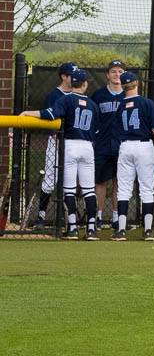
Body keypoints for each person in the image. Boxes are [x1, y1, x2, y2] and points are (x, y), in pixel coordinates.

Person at [21, 69, 99, 240]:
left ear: (73, 83)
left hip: (69, 145)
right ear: (84, 84)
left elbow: (49, 114)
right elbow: (97, 130)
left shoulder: (67, 99)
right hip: (87, 146)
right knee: (88, 189)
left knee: (69, 189)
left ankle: (72, 229)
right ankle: (92, 228)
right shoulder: (93, 104)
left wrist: (28, 113)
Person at [111, 71, 154, 241]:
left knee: (124, 189)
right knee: (146, 189)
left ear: (122, 85)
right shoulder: (146, 103)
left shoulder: (120, 106)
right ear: (137, 83)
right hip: (144, 146)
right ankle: (148, 231)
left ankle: (121, 230)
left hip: (125, 146)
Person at [27, 61, 76, 230]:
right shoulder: (54, 95)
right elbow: (49, 119)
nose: (75, 78)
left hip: (74, 143)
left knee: (71, 181)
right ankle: (41, 217)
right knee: (49, 180)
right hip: (56, 142)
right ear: (63, 76)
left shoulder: (79, 95)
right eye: (72, 75)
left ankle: (71, 221)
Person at [90, 59, 126, 230]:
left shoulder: (128, 95)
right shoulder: (98, 95)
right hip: (102, 144)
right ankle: (97, 216)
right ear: (107, 75)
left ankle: (116, 217)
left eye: (120, 71)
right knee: (100, 181)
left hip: (122, 145)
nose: (117, 75)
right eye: (113, 71)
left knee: (119, 181)